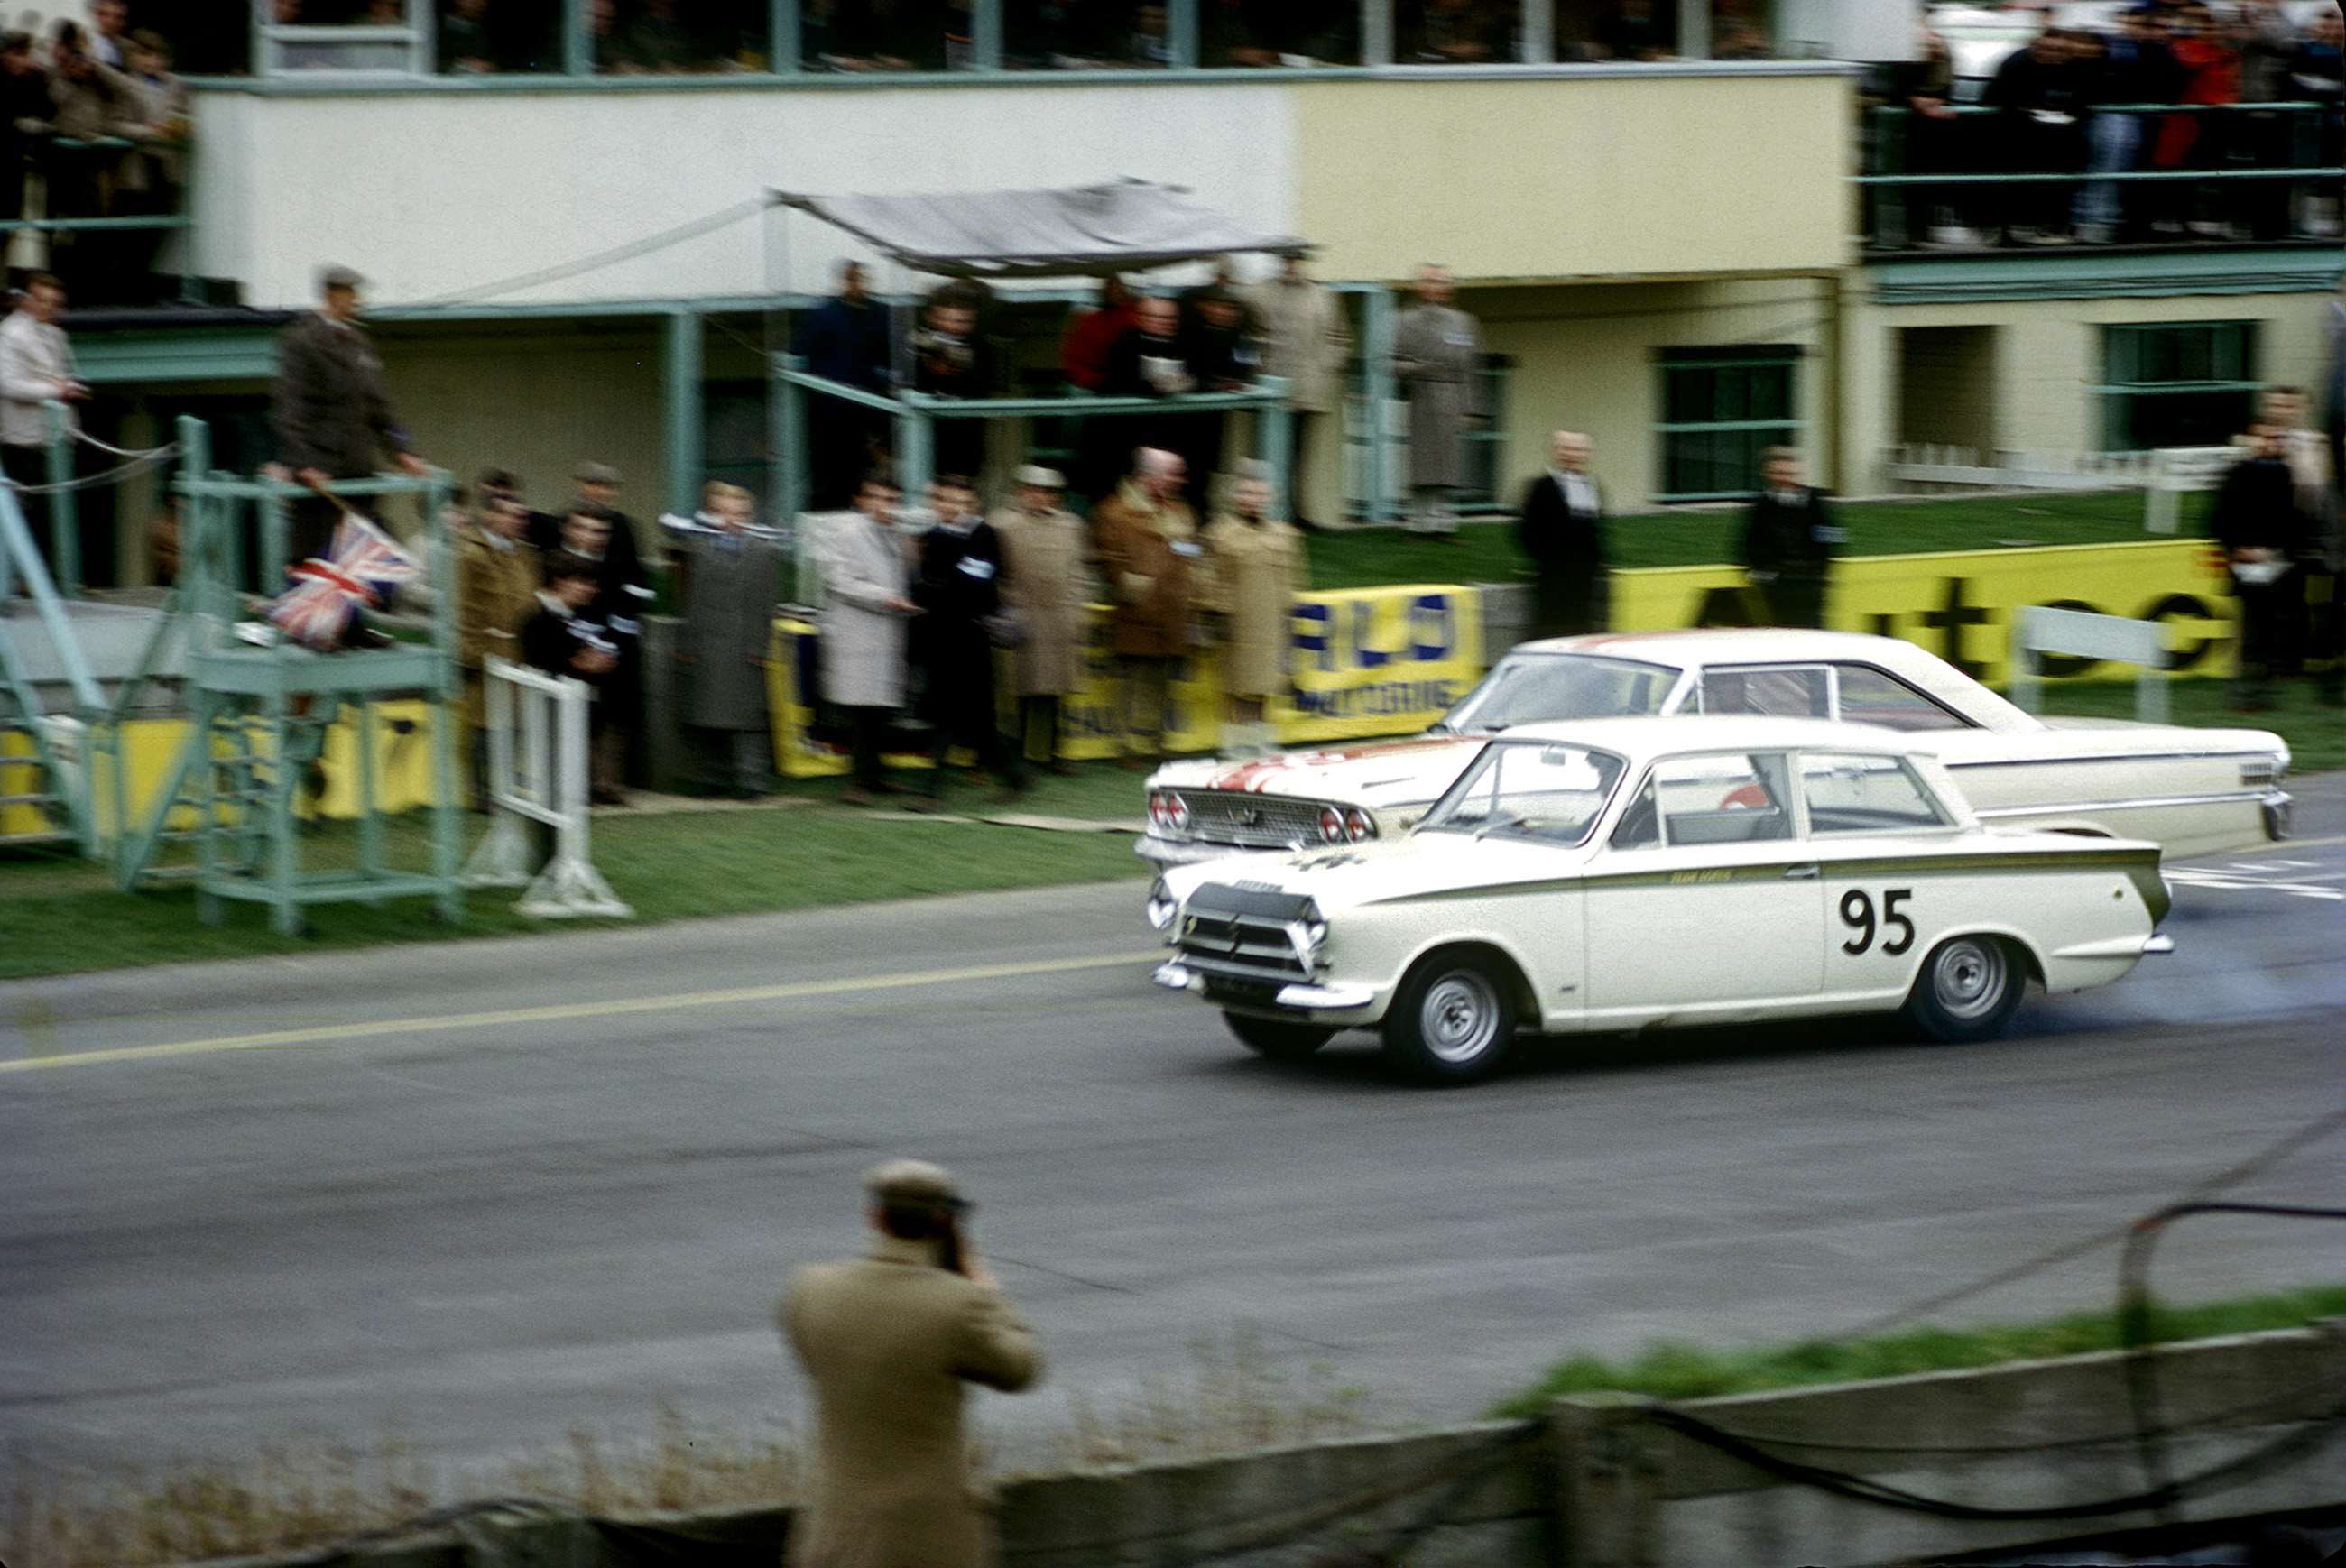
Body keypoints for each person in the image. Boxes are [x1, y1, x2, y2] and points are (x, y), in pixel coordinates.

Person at [780, 1159, 1042, 1568]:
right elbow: (1022, 1368)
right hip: (929, 1543)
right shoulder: (961, 1305)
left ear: (874, 1216)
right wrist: (985, 1286)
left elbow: (818, 1358)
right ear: (944, 1222)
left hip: (834, 1538)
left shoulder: (809, 1288)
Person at [270, 264, 430, 566]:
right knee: (316, 562)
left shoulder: (360, 344)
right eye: (351, 293)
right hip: (321, 477)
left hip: (358, 470)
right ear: (332, 295)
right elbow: (289, 408)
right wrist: (304, 464)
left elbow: (381, 408)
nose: (358, 300)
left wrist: (403, 451)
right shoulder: (300, 341)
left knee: (362, 559)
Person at [662, 482, 787, 799]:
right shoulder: (700, 550)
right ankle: (714, 777)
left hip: (745, 643)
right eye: (723, 513)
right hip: (707, 642)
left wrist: (760, 647)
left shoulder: (763, 553)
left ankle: (752, 779)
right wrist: (687, 645)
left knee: (747, 718)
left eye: (740, 513)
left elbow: (766, 604)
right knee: (708, 716)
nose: (732, 520)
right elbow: (691, 602)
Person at [912, 474, 1023, 805]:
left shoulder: (985, 535)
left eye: (958, 501)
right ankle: (1014, 779)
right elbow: (930, 586)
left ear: (971, 504)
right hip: (940, 640)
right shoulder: (932, 536)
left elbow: (971, 588)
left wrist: (938, 586)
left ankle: (931, 793)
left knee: (974, 721)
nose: (950, 507)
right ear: (935, 501)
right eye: (944, 500)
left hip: (972, 641)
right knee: (954, 718)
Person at [1093, 447, 1201, 768]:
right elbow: (1110, 563)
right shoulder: (1114, 511)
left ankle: (1157, 741)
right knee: (1131, 683)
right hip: (1136, 615)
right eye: (1171, 473)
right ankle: (1125, 746)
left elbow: (1192, 554)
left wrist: (1189, 598)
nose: (1178, 480)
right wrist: (1139, 594)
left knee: (1163, 684)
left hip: (1173, 614)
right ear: (1147, 476)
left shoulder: (1181, 511)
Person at [821, 473, 919, 807]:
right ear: (863, 500)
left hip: (886, 633)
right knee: (861, 714)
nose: (884, 506)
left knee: (879, 712)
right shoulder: (847, 532)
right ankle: (857, 784)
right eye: (877, 498)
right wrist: (885, 597)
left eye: (891, 500)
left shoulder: (895, 535)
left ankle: (875, 777)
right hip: (859, 632)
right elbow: (839, 581)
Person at [1202, 463, 1304, 758]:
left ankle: (1261, 741)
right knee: (1237, 687)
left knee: (1266, 686)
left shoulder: (1283, 535)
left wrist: (1290, 615)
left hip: (1272, 624)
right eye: (1246, 492)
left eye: (1259, 493)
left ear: (1270, 497)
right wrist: (1216, 615)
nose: (1253, 498)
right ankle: (1236, 745)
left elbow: (1292, 580)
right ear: (1234, 496)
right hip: (1237, 624)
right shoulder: (1220, 533)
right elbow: (1208, 579)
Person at [993, 464, 1088, 775]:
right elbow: (992, 571)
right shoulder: (1001, 524)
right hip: (1023, 615)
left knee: (1055, 691)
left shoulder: (1071, 525)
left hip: (1060, 616)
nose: (1041, 496)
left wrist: (1078, 607)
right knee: (1023, 689)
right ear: (1021, 491)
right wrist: (1005, 606)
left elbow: (1078, 570)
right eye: (1034, 489)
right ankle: (1022, 755)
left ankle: (1052, 754)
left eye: (1048, 491)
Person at [2212, 420, 2311, 711]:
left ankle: (2264, 691)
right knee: (2249, 632)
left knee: (2272, 631)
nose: (2270, 442)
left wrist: (2275, 551)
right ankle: (2244, 693)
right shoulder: (2237, 475)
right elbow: (2220, 518)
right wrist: (2238, 549)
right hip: (2244, 563)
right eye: (2264, 437)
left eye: (2275, 437)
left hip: (2275, 564)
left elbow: (2295, 521)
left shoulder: (2286, 474)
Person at [453, 487, 542, 805]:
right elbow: (464, 607)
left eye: (520, 515)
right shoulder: (471, 554)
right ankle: (483, 790)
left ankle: (507, 784)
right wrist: (472, 651)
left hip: (520, 649)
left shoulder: (525, 554)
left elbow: (533, 599)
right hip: (487, 648)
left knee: (515, 722)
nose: (517, 521)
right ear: (490, 516)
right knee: (485, 723)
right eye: (509, 514)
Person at [1248, 255, 1349, 530]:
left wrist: (1324, 368)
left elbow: (1340, 340)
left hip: (1308, 389)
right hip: (1269, 390)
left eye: (1295, 260)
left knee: (1300, 455)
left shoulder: (1323, 296)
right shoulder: (1259, 292)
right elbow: (1247, 334)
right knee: (1265, 455)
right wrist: (1258, 362)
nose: (1291, 265)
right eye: (1286, 260)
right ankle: (1261, 513)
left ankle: (1297, 513)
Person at [0, 274, 88, 570]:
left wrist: (68, 386)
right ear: (27, 299)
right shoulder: (9, 334)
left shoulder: (56, 335)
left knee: (57, 511)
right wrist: (57, 390)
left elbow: (58, 373)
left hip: (57, 436)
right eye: (42, 300)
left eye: (55, 303)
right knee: (29, 514)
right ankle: (26, 577)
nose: (48, 308)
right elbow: (9, 385)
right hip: (24, 440)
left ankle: (55, 575)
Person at [1392, 264, 1482, 539]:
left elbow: (1469, 368)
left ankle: (1444, 522)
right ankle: (1418, 522)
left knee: (1449, 461)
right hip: (1420, 395)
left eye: (1442, 283)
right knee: (1422, 462)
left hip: (1452, 397)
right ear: (1420, 286)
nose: (1437, 287)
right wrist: (1419, 369)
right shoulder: (1403, 320)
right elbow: (1391, 362)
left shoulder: (1464, 322)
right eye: (1431, 282)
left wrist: (1469, 407)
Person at [799, 260, 892, 511]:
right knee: (830, 473)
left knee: (864, 471)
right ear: (843, 282)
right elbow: (805, 356)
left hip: (869, 407)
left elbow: (890, 357)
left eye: (861, 279)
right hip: (831, 409)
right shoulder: (824, 315)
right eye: (851, 279)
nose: (856, 285)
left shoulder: (881, 314)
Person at [1516, 430, 1610, 640]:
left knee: (1580, 632)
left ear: (1587, 454)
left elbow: (1597, 531)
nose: (1572, 454)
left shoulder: (1593, 487)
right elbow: (1525, 531)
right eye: (1566, 448)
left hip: (1584, 579)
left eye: (1578, 449)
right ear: (1555, 451)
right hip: (1552, 578)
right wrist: (1545, 560)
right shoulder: (1540, 487)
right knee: (1549, 632)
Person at [1737, 447, 1842, 629]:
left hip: (1810, 587)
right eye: (1778, 473)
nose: (1784, 478)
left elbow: (1832, 539)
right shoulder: (1761, 506)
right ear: (1767, 474)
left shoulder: (1815, 501)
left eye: (1788, 473)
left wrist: (1820, 575)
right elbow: (1746, 544)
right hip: (1777, 589)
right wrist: (1763, 574)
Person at [910, 287, 994, 484]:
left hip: (964, 443)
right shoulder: (916, 343)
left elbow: (984, 388)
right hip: (921, 439)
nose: (952, 327)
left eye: (962, 321)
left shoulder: (983, 348)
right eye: (945, 319)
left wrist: (958, 366)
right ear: (931, 317)